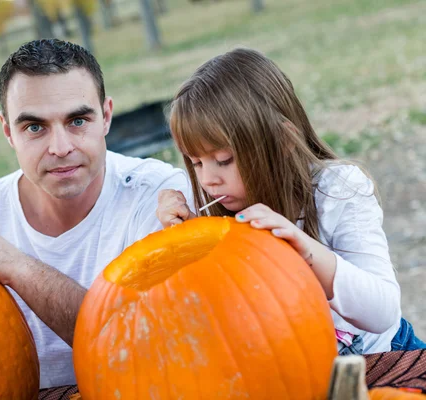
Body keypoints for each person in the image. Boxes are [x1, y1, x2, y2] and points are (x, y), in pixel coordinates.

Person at [0, 39, 193, 391]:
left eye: (78, 120)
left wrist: (15, 265)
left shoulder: (159, 197)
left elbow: (140, 348)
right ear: (8, 131)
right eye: (34, 127)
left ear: (107, 116)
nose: (61, 148)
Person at [156, 47, 425, 355]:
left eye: (224, 159)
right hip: (296, 368)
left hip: (383, 354)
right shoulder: (213, 202)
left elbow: (382, 311)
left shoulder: (335, 190)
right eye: (196, 163)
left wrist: (306, 250)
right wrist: (182, 240)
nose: (207, 179)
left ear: (283, 142)